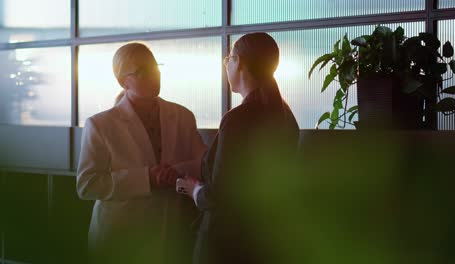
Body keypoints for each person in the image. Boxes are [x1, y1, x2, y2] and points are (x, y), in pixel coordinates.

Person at [76, 42, 207, 264]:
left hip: (173, 234)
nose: (154, 75)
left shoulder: (183, 115)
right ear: (122, 81)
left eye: (155, 66)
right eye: (143, 71)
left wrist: (175, 172)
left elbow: (203, 165)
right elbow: (87, 185)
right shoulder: (100, 125)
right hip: (122, 239)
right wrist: (146, 178)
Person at [178, 32, 300, 264]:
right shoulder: (286, 116)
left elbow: (221, 194)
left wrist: (192, 189)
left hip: (226, 241)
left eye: (228, 59)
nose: (226, 65)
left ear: (240, 62)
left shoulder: (238, 119)